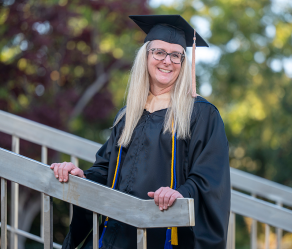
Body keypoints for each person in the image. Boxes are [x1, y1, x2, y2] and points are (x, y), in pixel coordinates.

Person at [51, 15, 230, 249]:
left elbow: (210, 177)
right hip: (115, 235)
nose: (167, 61)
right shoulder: (128, 115)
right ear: (145, 56)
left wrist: (180, 193)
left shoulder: (201, 114)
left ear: (184, 63)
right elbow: (106, 170)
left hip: (163, 237)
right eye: (159, 52)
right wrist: (81, 176)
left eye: (176, 55)